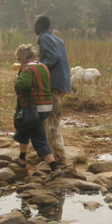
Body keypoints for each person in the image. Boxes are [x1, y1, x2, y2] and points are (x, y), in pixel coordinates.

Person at [13, 43, 62, 177]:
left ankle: (54, 168)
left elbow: (23, 85)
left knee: (38, 138)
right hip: (46, 106)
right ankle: (22, 158)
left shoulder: (27, 70)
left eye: (19, 59)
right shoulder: (43, 67)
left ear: (23, 58)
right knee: (24, 129)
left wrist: (17, 80)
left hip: (33, 108)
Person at [34, 16, 70, 165]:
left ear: (41, 26)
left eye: (35, 25)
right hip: (62, 83)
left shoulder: (44, 39)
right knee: (47, 118)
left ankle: (59, 157)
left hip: (53, 84)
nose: (34, 28)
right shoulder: (57, 39)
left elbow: (53, 57)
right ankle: (46, 152)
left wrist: (38, 67)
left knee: (52, 121)